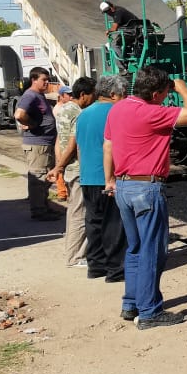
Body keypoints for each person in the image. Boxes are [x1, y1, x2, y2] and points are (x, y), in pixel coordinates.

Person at [104, 66, 187, 329]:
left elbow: (109, 144)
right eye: (165, 93)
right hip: (146, 188)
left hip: (123, 187)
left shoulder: (118, 108)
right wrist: (182, 89)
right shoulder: (151, 113)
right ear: (157, 93)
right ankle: (149, 312)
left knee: (135, 249)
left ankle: (131, 303)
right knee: (153, 251)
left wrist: (109, 179)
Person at [72, 75, 129, 283]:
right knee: (114, 225)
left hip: (87, 176)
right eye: (124, 94)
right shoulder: (117, 112)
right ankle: (116, 269)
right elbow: (116, 146)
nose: (125, 98)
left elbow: (78, 146)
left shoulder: (84, 114)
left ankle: (95, 266)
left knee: (94, 222)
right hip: (109, 177)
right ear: (113, 94)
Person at [47, 78, 96, 268]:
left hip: (69, 169)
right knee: (79, 213)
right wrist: (60, 166)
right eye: (92, 94)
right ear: (83, 95)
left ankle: (75, 252)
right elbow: (73, 144)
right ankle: (75, 257)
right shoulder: (79, 113)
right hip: (77, 169)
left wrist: (60, 165)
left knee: (74, 211)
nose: (93, 99)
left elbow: (59, 140)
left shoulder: (64, 109)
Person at [13, 67, 61, 221]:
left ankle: (44, 206)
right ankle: (38, 211)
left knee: (45, 177)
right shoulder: (30, 95)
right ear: (34, 80)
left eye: (47, 79)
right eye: (43, 80)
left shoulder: (39, 95)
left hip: (44, 143)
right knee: (38, 177)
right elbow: (19, 114)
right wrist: (31, 123)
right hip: (37, 144)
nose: (47, 82)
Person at [51, 85, 74, 201]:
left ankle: (64, 192)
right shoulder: (60, 108)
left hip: (62, 140)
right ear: (61, 96)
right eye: (68, 94)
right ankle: (62, 192)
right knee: (61, 167)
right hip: (62, 141)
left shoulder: (65, 107)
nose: (71, 97)